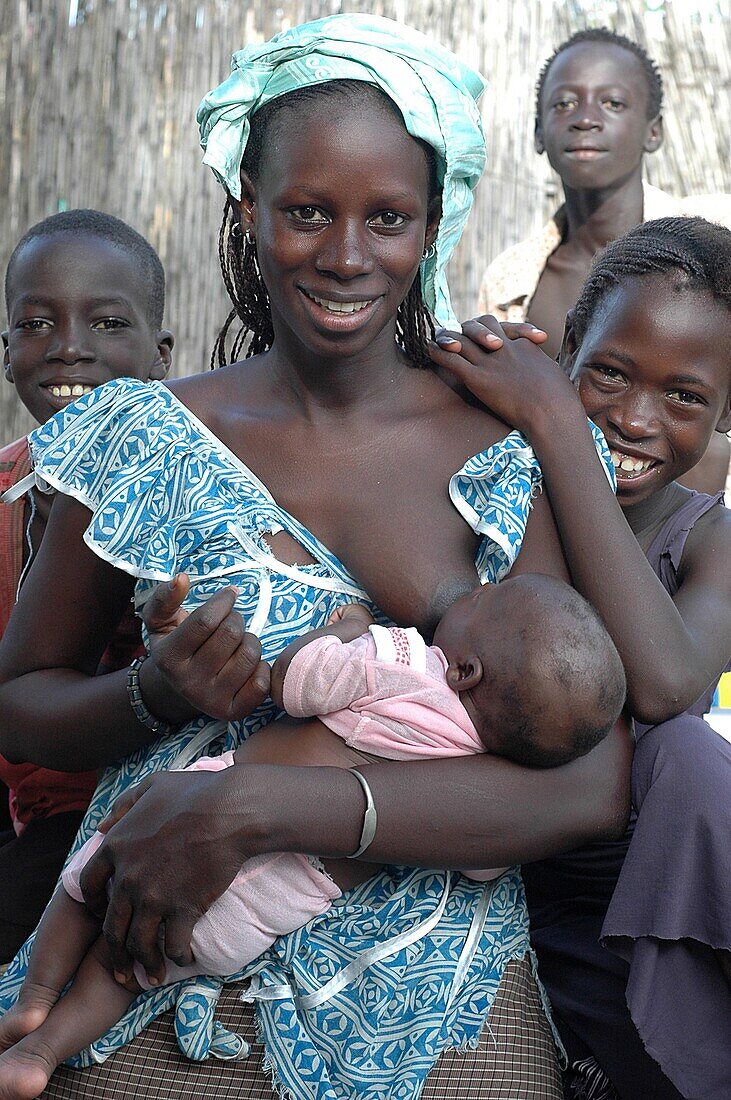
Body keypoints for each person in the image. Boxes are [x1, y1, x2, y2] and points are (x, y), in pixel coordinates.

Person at [0, 16, 631, 1100]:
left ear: (432, 221)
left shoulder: (502, 448)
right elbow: (20, 700)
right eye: (305, 212)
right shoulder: (142, 432)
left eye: (387, 217)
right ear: (247, 204)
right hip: (143, 938)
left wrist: (252, 809)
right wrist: (155, 693)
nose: (345, 255)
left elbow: (585, 781)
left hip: (438, 992)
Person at [0, 576, 627, 1097]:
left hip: (193, 820)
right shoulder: (485, 774)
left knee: (90, 887)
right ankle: (43, 1055)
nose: (466, 595)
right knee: (132, 967)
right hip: (274, 905)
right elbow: (484, 861)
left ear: (463, 669)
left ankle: (35, 999)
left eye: (481, 601)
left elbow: (299, 681)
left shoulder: (405, 662)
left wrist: (347, 629)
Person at [430, 215, 731, 1099]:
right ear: (564, 351)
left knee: (687, 754)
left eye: (684, 398)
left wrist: (562, 423)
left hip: (651, 888)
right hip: (510, 856)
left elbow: (669, 687)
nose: (636, 418)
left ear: (727, 413)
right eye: (606, 373)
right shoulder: (495, 484)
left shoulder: (711, 541)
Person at [0, 210, 173, 962]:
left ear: (161, 353)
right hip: (33, 818)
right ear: (6, 352)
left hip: (157, 806)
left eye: (107, 322)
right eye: (36, 324)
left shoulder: (192, 484)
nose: (70, 347)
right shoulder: (6, 491)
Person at [477, 27, 731, 495]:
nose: (586, 119)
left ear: (653, 131)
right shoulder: (513, 282)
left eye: (612, 103)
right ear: (538, 132)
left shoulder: (719, 254)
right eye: (564, 104)